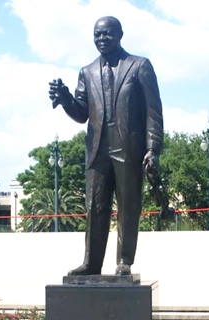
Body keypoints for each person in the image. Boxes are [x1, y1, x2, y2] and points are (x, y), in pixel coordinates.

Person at [49, 16, 163, 276]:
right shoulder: (86, 72)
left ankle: (124, 261)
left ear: (120, 34)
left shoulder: (140, 66)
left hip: (129, 147)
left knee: (128, 205)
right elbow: (81, 114)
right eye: (97, 35)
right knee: (95, 206)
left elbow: (153, 112)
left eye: (107, 34)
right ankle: (91, 263)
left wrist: (153, 148)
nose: (102, 39)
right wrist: (66, 99)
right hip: (98, 147)